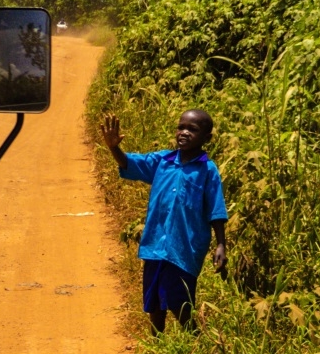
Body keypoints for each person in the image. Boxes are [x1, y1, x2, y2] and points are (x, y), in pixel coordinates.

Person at [98, 109, 229, 332]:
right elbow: (130, 164)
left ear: (206, 138)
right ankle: (156, 342)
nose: (184, 133)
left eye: (192, 129)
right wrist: (114, 147)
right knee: (154, 301)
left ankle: (195, 340)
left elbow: (216, 209)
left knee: (180, 302)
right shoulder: (162, 161)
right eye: (181, 127)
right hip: (156, 245)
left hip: (185, 248)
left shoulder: (208, 170)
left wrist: (221, 244)